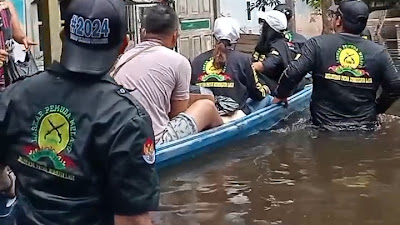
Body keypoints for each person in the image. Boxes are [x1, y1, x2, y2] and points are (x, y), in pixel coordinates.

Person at [0, 0, 160, 224]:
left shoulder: (16, 95)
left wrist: (7, 184)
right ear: (123, 46)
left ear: (63, 35)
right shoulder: (127, 119)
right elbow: (133, 220)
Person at [274, 0, 400, 129]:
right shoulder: (379, 52)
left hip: (323, 127)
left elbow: (293, 72)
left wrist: (281, 94)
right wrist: (377, 109)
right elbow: (395, 86)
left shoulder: (317, 44)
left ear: (339, 20)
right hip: (365, 127)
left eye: (334, 15)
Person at [113, 5, 223, 145]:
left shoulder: (124, 57)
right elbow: (177, 115)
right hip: (152, 143)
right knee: (207, 106)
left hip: (120, 140)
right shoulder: (179, 62)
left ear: (142, 33)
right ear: (175, 36)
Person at [191, 17, 270, 119]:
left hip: (206, 116)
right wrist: (266, 89)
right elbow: (256, 94)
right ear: (236, 38)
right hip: (234, 115)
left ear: (214, 36)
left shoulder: (197, 60)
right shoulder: (243, 59)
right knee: (266, 98)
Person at [252, 10, 305, 94]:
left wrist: (248, 67)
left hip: (277, 88)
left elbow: (270, 63)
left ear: (269, 28)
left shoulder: (279, 45)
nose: (261, 27)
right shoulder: (265, 43)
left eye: (264, 23)